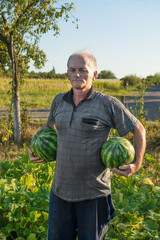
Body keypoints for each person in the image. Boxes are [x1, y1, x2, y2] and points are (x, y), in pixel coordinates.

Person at [29, 50, 146, 240]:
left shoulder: (108, 104)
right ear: (67, 73)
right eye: (72, 70)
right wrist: (36, 149)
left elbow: (139, 129)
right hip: (60, 193)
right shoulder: (58, 101)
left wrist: (137, 164)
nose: (77, 74)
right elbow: (47, 128)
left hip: (94, 195)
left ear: (94, 74)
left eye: (83, 70)